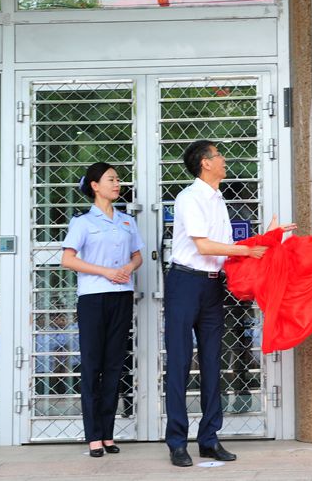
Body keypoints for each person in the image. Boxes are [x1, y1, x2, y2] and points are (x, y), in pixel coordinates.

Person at [164, 140, 294, 467]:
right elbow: (205, 246)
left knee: (212, 362)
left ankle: (209, 439)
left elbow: (227, 248)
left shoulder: (218, 199)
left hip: (211, 286)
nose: (224, 160)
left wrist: (267, 237)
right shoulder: (189, 198)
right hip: (185, 282)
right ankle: (177, 442)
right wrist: (248, 251)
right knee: (180, 363)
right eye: (219, 155)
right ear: (206, 163)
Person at [61, 162, 144, 458]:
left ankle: (108, 434)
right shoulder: (83, 222)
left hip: (121, 297)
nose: (117, 183)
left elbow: (138, 256)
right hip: (94, 299)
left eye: (118, 179)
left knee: (114, 366)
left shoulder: (126, 221)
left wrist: (128, 267)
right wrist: (105, 272)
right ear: (95, 186)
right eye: (111, 179)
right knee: (93, 365)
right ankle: (93, 436)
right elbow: (68, 260)